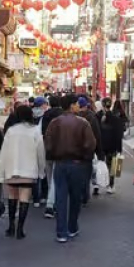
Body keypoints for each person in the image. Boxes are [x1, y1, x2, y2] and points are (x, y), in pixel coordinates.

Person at [44, 95, 96, 243]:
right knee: (75, 197)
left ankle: (61, 232)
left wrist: (54, 155)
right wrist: (85, 157)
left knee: (60, 197)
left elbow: (48, 143)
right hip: (78, 164)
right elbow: (91, 144)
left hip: (60, 164)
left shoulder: (55, 123)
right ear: (72, 106)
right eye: (76, 104)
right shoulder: (83, 123)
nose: (78, 107)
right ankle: (72, 227)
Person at [0, 105, 46, 240]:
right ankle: (20, 229)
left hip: (11, 169)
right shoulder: (35, 131)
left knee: (12, 197)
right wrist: (41, 171)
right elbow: (40, 153)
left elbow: (4, 152)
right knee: (24, 198)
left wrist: (1, 173)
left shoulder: (11, 131)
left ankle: (11, 226)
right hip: (29, 170)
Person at [77, 96, 105, 199]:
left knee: (78, 174)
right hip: (88, 150)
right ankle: (84, 196)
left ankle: (79, 195)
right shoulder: (91, 117)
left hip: (75, 150)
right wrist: (99, 152)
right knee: (86, 174)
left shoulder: (74, 116)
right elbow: (97, 135)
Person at [39, 94, 63, 213]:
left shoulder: (45, 115)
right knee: (57, 179)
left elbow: (41, 133)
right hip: (60, 151)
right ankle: (51, 204)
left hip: (47, 149)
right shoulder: (63, 115)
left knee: (49, 178)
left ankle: (50, 198)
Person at [99, 98, 126, 193]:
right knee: (113, 166)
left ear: (102, 105)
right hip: (113, 146)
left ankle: (98, 185)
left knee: (102, 164)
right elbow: (119, 135)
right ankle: (111, 185)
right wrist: (119, 148)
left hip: (102, 146)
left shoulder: (98, 116)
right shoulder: (116, 119)